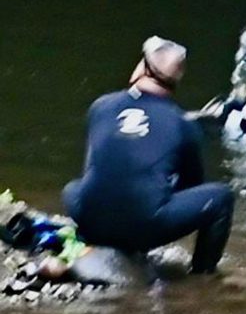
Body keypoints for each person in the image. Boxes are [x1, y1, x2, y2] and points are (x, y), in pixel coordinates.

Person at [63, 36, 234, 274]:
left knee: (74, 187)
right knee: (222, 197)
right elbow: (192, 185)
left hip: (90, 221)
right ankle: (202, 275)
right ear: (177, 80)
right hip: (142, 230)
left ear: (142, 67)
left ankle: (97, 240)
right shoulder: (182, 124)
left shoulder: (100, 106)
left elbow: (98, 168)